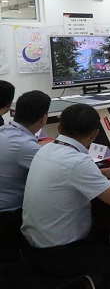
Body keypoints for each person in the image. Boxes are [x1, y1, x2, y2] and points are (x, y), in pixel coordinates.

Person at [21, 104, 110, 289]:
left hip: (33, 243)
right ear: (95, 134)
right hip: (58, 252)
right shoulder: (77, 161)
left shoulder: (45, 149)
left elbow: (71, 175)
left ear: (59, 127)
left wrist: (108, 172)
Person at [0, 91, 51, 248]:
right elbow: (56, 174)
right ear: (43, 118)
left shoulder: (4, 131)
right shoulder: (25, 146)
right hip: (9, 215)